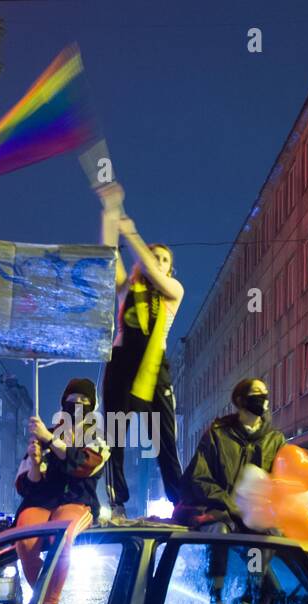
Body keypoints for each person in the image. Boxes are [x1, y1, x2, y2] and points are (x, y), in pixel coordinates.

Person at [96, 183, 184, 513]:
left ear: (168, 269)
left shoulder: (172, 290)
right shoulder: (126, 289)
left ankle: (179, 502)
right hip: (122, 363)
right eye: (153, 256)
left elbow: (147, 267)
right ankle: (117, 502)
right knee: (116, 433)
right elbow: (108, 254)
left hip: (154, 367)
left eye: (163, 259)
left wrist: (132, 234)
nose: (156, 262)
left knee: (164, 438)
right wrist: (111, 212)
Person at [14, 378, 110, 604]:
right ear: (63, 403)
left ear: (93, 405)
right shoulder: (45, 434)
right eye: (72, 400)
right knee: (24, 539)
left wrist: (50, 440)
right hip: (42, 502)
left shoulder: (99, 436)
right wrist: (34, 463)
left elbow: (82, 465)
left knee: (62, 536)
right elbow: (26, 485)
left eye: (84, 401)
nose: (77, 405)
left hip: (78, 502)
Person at [174, 378, 286, 531]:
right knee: (219, 531)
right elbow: (198, 477)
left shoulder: (275, 440)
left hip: (259, 519)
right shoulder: (217, 436)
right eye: (257, 393)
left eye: (265, 394)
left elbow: (281, 482)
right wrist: (229, 504)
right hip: (221, 515)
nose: (263, 398)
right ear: (240, 401)